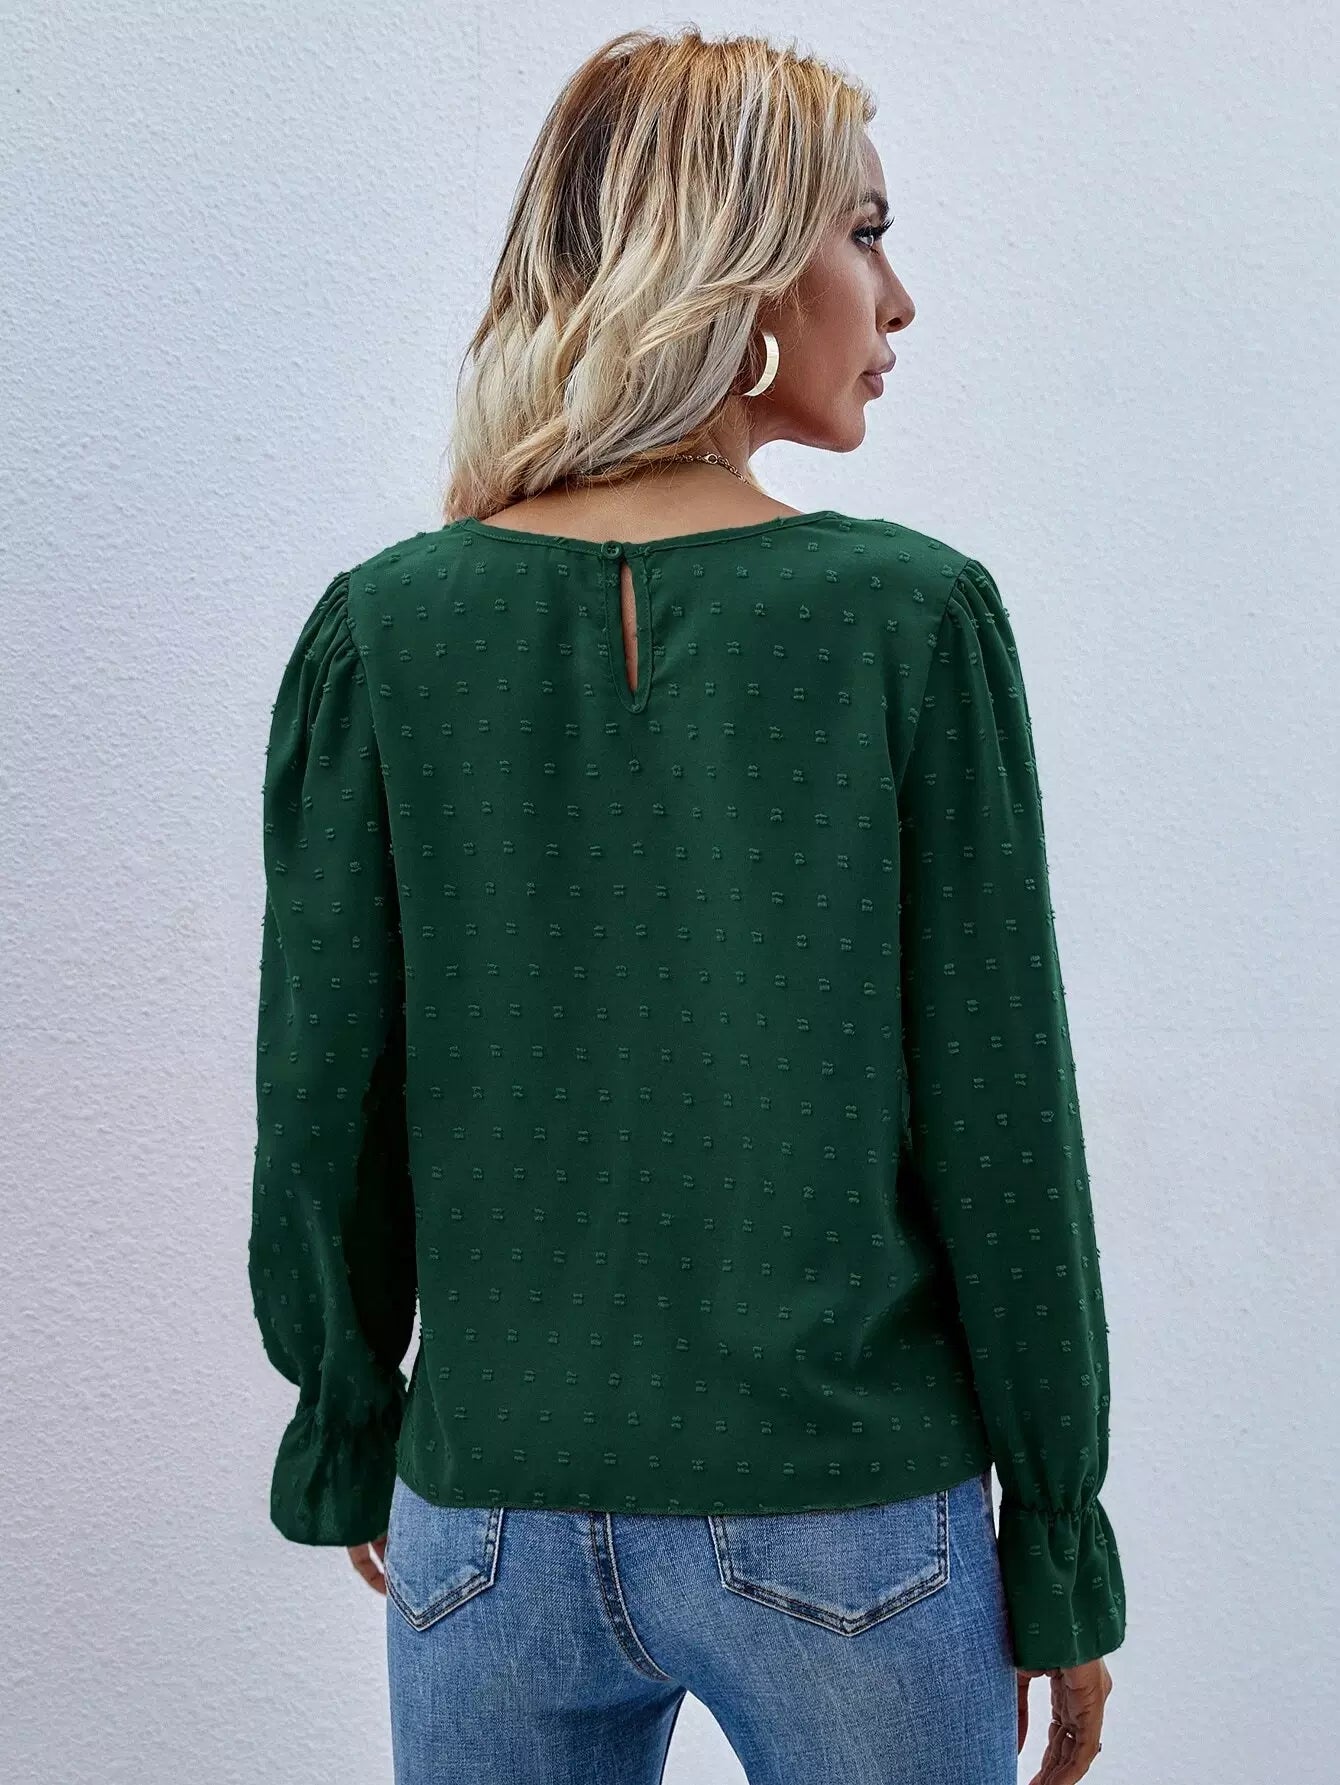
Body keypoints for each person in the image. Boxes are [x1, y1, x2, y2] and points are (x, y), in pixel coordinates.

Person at [247, 25, 1124, 1785]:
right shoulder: (910, 618)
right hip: (849, 1514)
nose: (899, 297)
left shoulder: (385, 629)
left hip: (484, 1522)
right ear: (739, 260)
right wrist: (1056, 1537)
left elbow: (322, 1093)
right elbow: (1002, 1119)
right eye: (864, 232)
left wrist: (349, 1424)